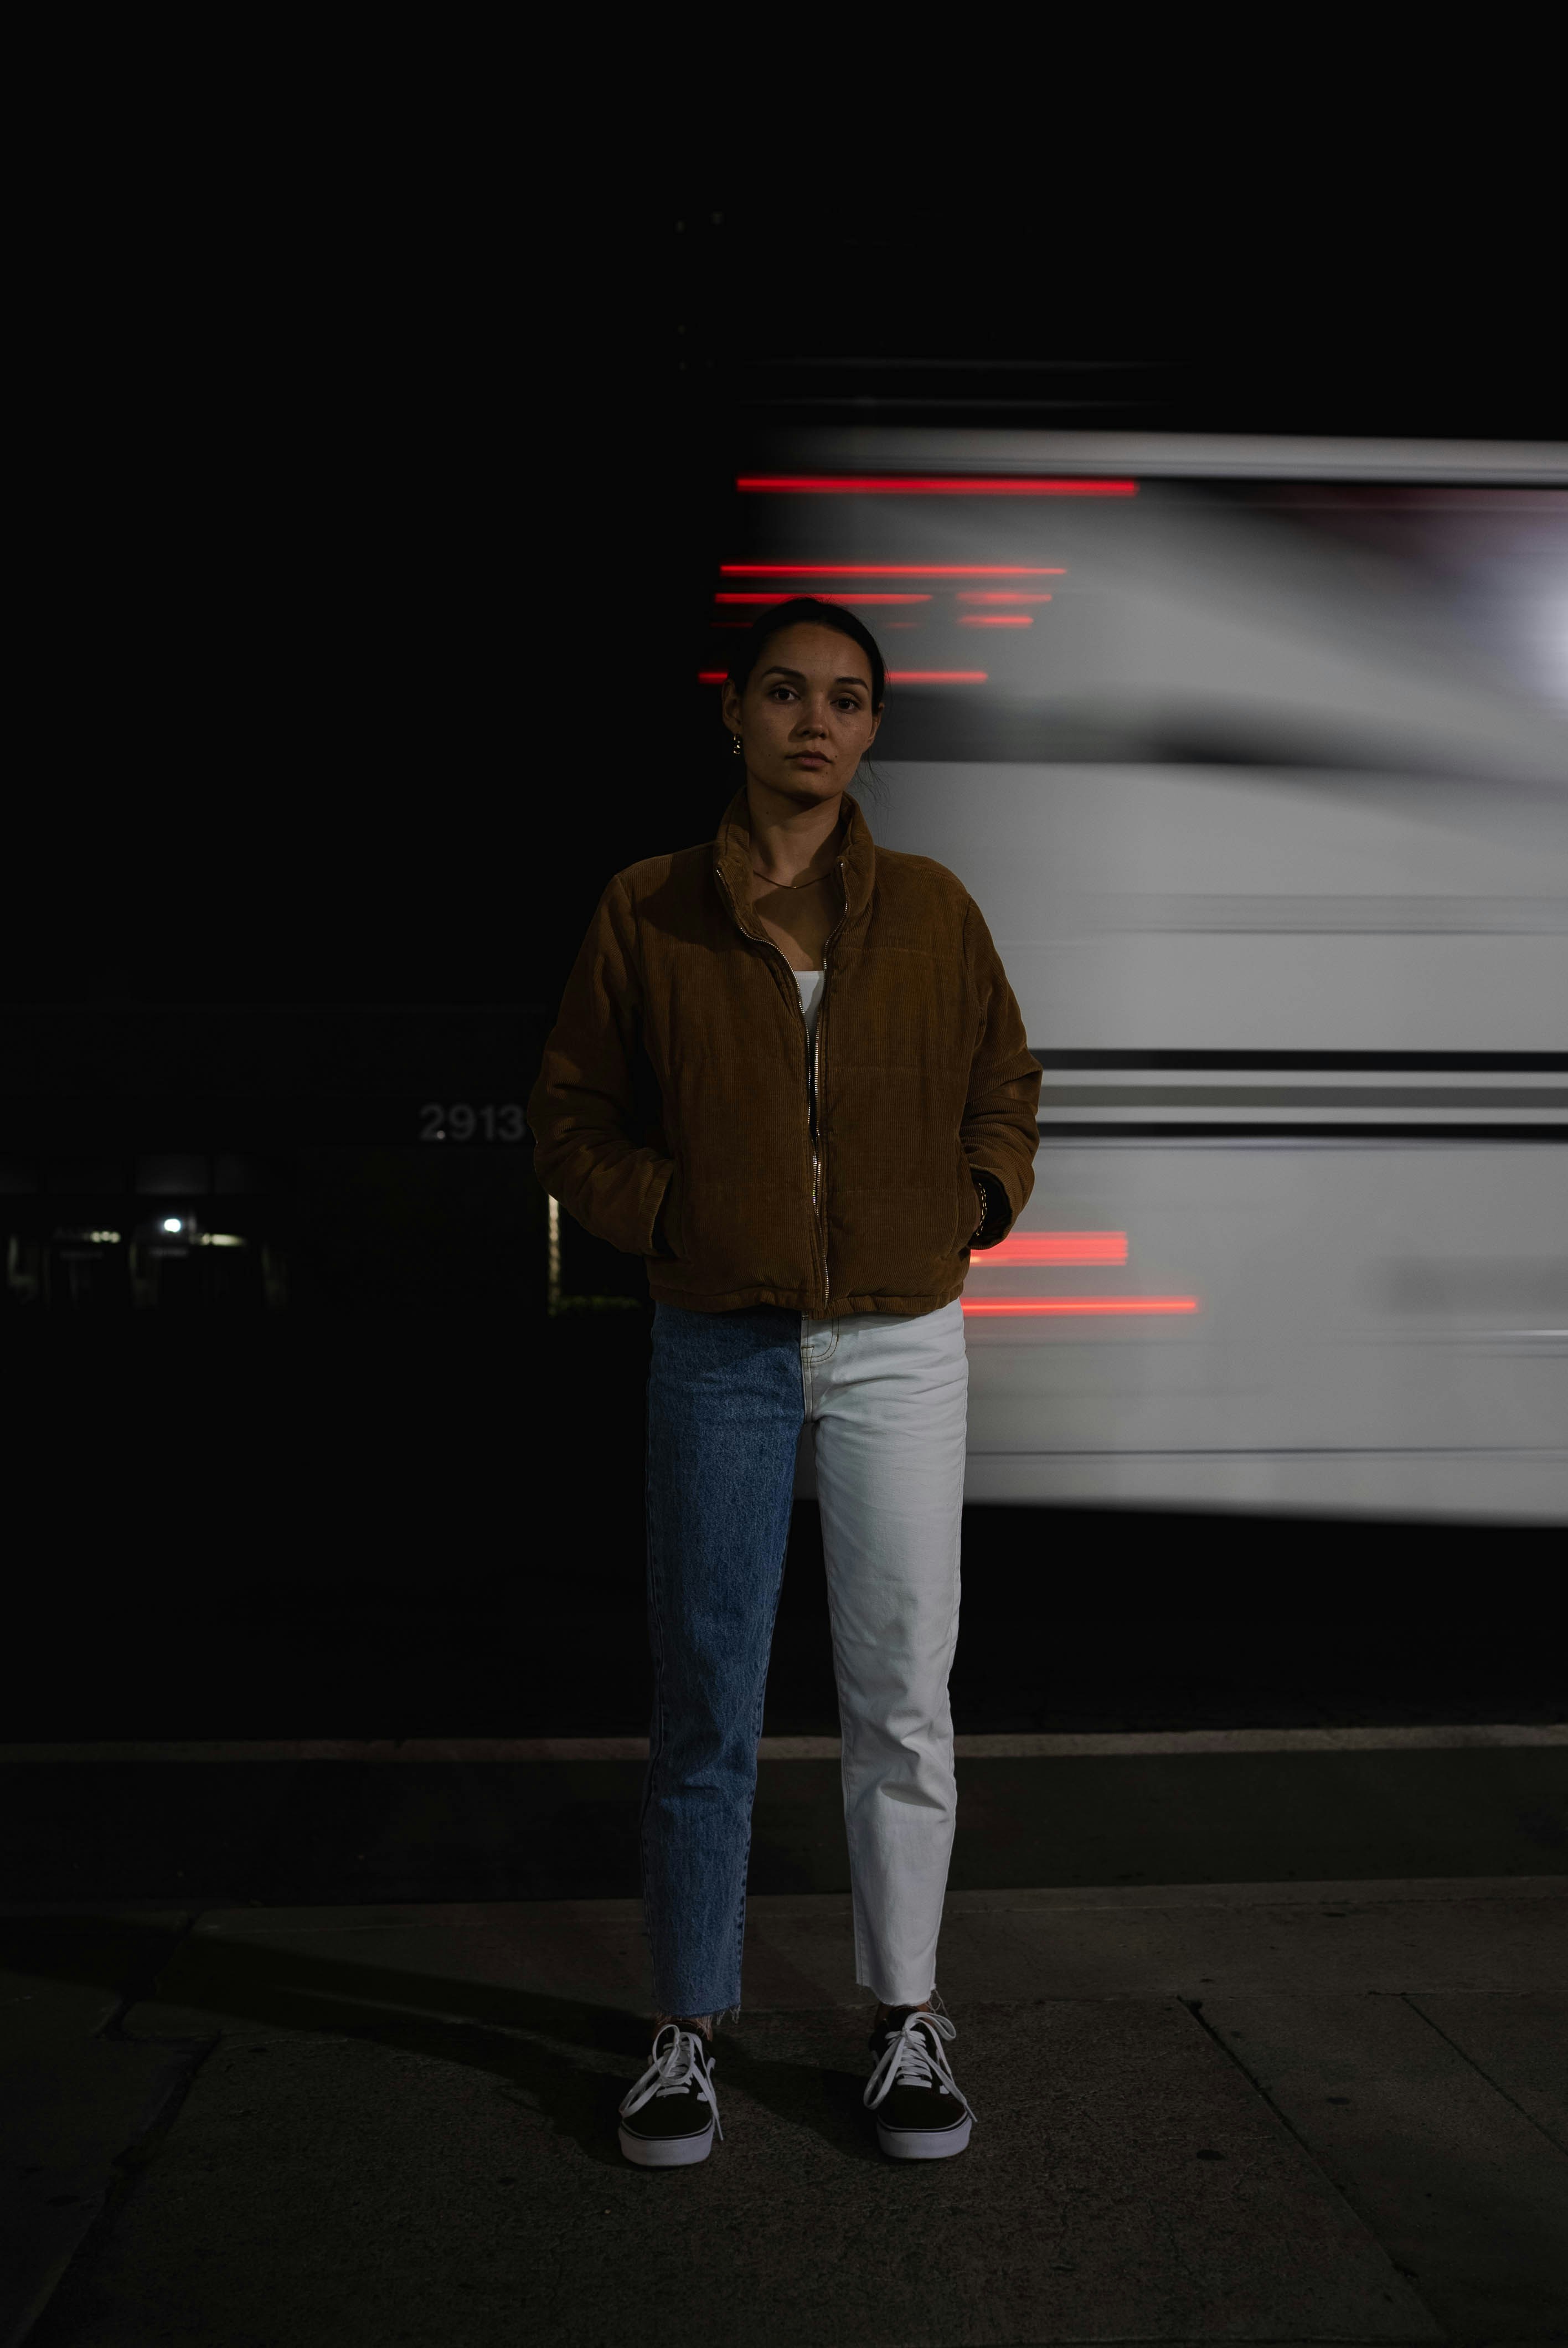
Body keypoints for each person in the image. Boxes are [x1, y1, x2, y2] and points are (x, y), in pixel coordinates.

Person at [528, 597, 1041, 2166]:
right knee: (708, 1690)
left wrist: (971, 1202)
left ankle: (906, 2018)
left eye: (847, 698)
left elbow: (1006, 1083)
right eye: (786, 692)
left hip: (902, 1336)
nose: (817, 720)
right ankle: (687, 2026)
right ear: (734, 714)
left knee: (902, 1693)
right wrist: (674, 1215)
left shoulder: (935, 909)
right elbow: (570, 1111)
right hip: (719, 1339)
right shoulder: (651, 907)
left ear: (873, 727)